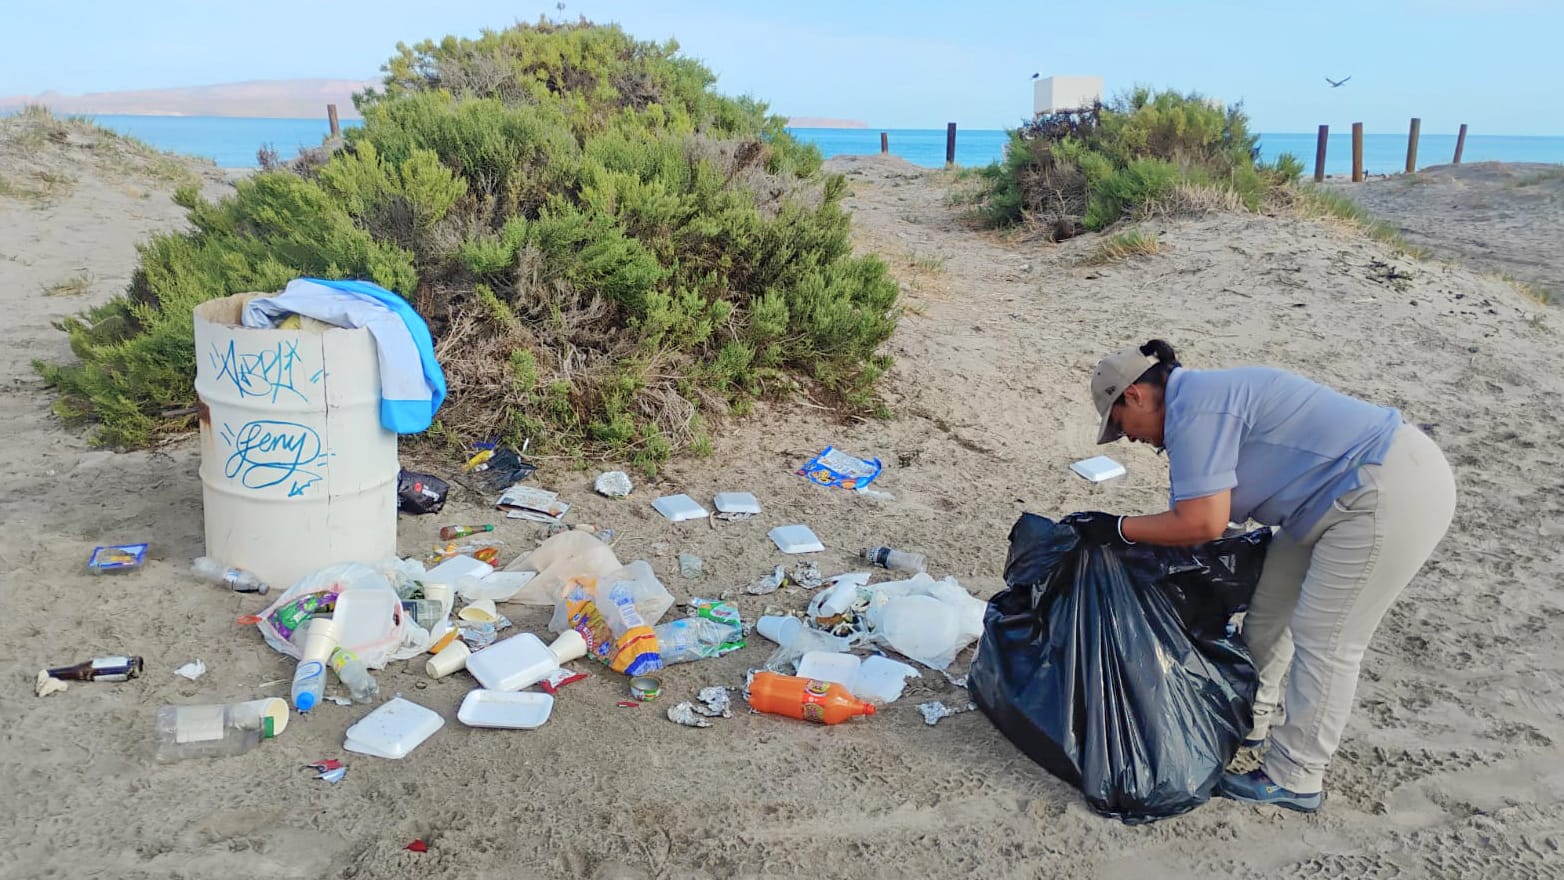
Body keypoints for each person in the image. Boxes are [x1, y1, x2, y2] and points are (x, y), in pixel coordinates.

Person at [1064, 340, 1456, 812]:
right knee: (1269, 613)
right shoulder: (1195, 409)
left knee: (1326, 638)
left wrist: (1118, 529)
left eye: (1122, 427)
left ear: (1135, 395)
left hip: (1386, 487)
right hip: (1320, 502)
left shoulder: (1198, 409)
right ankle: (1248, 722)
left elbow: (1201, 523)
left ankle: (1297, 776)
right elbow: (1209, 526)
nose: (1131, 440)